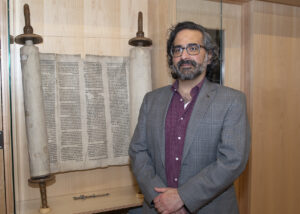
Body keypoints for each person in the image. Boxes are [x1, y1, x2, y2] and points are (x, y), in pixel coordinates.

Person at [128, 21, 251, 214]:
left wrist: (183, 198)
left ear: (209, 55)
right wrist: (160, 199)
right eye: (177, 50)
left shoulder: (232, 101)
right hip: (157, 208)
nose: (184, 56)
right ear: (172, 58)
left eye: (193, 48)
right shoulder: (151, 100)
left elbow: (232, 161)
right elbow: (138, 152)